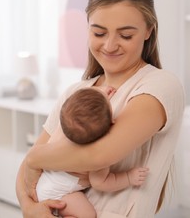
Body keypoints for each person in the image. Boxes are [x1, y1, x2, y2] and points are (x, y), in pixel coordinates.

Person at [16, 0, 185, 218]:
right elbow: (24, 176)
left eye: (126, 35)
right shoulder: (76, 93)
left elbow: (99, 156)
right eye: (99, 33)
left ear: (149, 31)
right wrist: (29, 207)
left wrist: (35, 157)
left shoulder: (159, 86)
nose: (109, 45)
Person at [36, 86, 149, 218]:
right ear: (112, 123)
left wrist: (99, 93)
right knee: (87, 215)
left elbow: (82, 107)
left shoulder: (62, 130)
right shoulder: (96, 156)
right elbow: (101, 182)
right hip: (60, 194)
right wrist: (129, 178)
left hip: (42, 183)